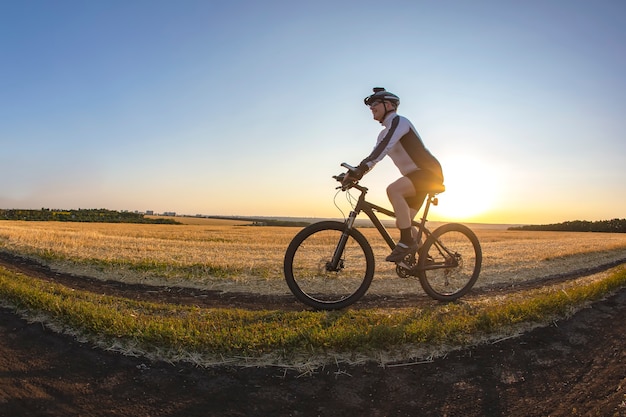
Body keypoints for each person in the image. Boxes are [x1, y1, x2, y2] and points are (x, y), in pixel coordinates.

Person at [344, 87, 445, 263]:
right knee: (403, 222)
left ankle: (406, 242)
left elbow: (384, 149)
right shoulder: (383, 133)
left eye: (375, 103)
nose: (371, 108)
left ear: (389, 105)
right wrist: (353, 174)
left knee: (393, 190)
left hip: (428, 174)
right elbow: (375, 158)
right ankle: (424, 259)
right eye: (370, 105)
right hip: (415, 179)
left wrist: (359, 170)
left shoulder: (399, 122)